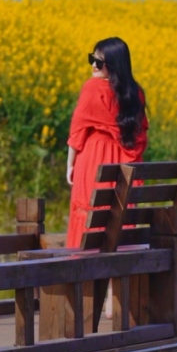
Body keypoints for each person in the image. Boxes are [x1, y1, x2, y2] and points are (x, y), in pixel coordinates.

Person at [65, 37, 149, 250]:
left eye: (100, 61)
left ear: (114, 65)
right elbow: (141, 135)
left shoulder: (93, 88)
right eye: (92, 58)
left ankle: (85, 275)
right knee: (117, 220)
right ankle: (115, 281)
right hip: (124, 169)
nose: (94, 65)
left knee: (90, 219)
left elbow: (77, 132)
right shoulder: (135, 93)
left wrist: (70, 165)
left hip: (94, 162)